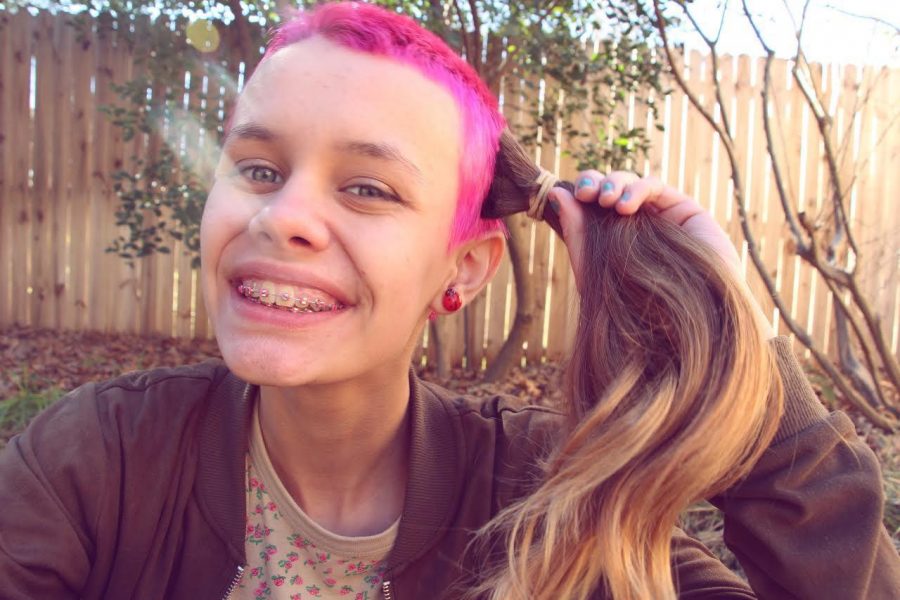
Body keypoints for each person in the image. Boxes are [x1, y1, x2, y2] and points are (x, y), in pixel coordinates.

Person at [0, 3, 896, 599]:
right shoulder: (98, 462)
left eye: (369, 190)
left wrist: (723, 318)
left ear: (462, 271)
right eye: (260, 169)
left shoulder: (553, 503)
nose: (283, 217)